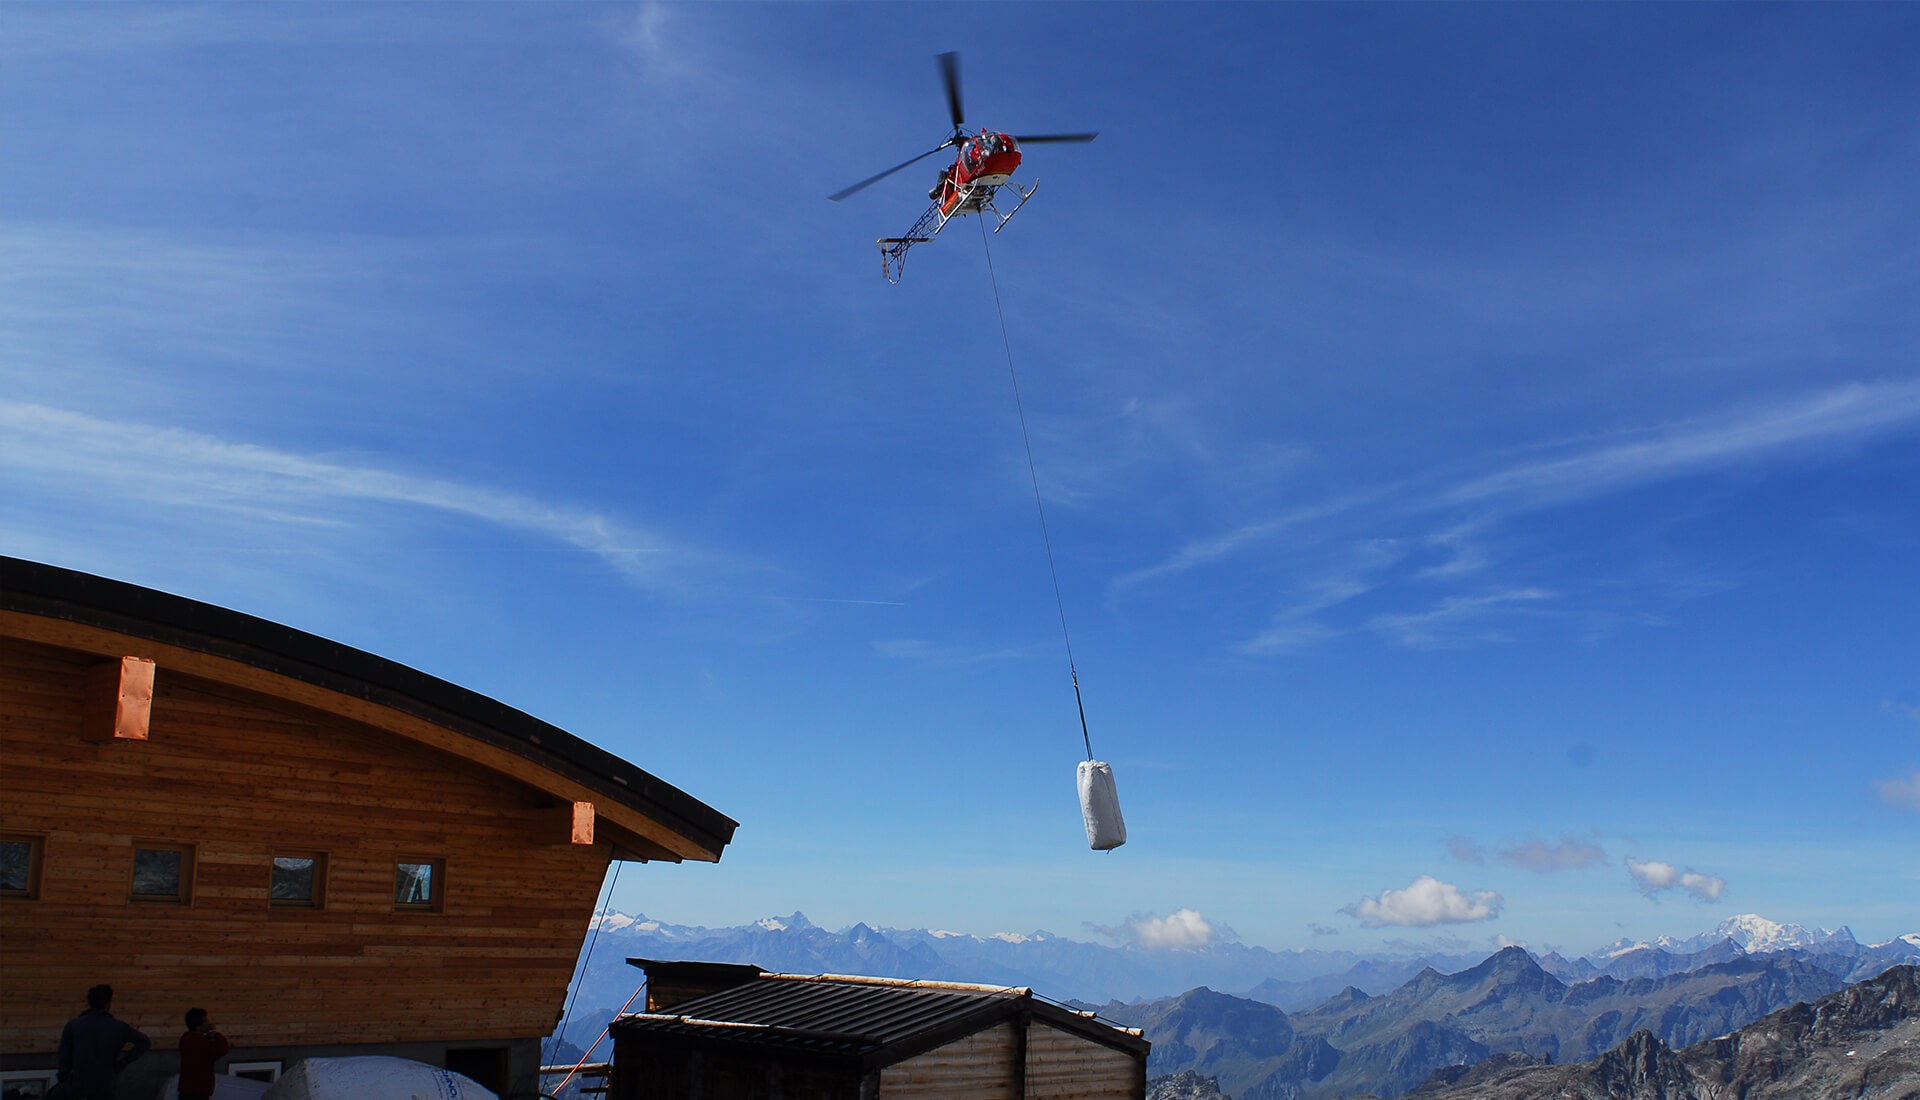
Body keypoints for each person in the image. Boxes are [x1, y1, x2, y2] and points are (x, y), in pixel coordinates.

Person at [54, 984, 150, 1100]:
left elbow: (65, 1055)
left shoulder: (74, 1025)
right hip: (105, 1083)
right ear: (108, 1004)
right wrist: (125, 1061)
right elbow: (144, 1042)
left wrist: (63, 1078)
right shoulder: (119, 1027)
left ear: (89, 1003)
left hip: (78, 1082)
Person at [176, 1008, 230, 1100]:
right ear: (199, 1026)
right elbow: (222, 1049)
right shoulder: (200, 1042)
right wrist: (215, 1034)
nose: (209, 1023)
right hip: (198, 1092)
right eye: (206, 1021)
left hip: (187, 1091)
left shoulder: (185, 1038)